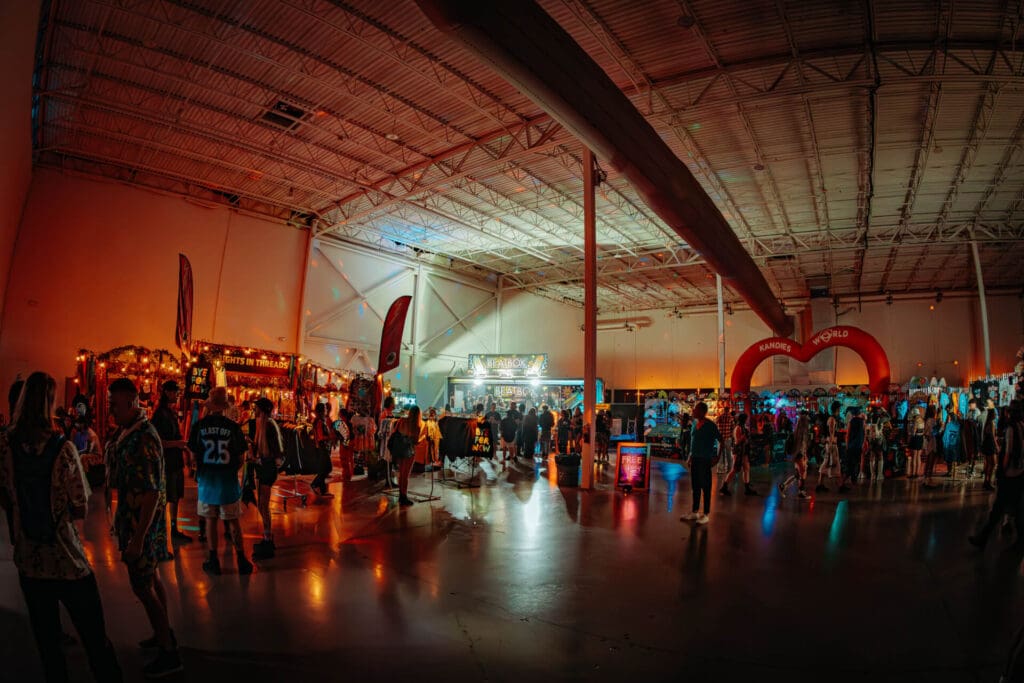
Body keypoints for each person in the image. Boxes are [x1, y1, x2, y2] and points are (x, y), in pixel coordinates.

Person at [0, 372, 122, 683]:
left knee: (48, 646)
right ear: (50, 402)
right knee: (95, 640)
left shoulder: (5, 447)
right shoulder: (62, 449)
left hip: (29, 559)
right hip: (66, 559)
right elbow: (80, 506)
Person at [105, 377, 182, 678]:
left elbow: (151, 491)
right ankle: (163, 632)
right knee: (152, 579)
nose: (111, 410)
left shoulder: (144, 437)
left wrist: (137, 539)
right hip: (135, 520)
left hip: (142, 524)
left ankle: (168, 652)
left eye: (114, 404)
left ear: (130, 402)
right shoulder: (129, 431)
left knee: (142, 586)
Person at [188, 387, 253, 576]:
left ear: (210, 405)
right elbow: (240, 457)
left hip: (207, 481)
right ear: (225, 406)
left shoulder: (199, 426)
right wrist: (231, 470)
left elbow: (193, 456)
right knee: (233, 520)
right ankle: (241, 560)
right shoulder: (233, 427)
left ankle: (213, 560)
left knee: (210, 520)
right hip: (228, 481)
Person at [970, 400, 1023, 549]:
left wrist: (1003, 471)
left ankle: (983, 538)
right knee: (1015, 508)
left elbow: (1008, 452)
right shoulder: (1021, 426)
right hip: (1019, 473)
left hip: (1010, 474)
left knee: (999, 509)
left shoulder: (1011, 428)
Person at [149, 380, 191, 546]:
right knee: (165, 497)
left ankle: (173, 528)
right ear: (167, 392)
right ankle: (158, 532)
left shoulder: (169, 412)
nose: (177, 395)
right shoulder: (160, 415)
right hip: (167, 461)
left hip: (175, 460)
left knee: (175, 496)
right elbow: (158, 441)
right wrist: (178, 444)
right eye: (175, 392)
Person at [249, 397, 284, 560]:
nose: (254, 410)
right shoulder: (262, 424)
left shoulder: (269, 425)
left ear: (262, 410)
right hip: (263, 467)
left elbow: (276, 453)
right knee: (261, 504)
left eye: (256, 407)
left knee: (264, 504)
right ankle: (267, 535)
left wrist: (261, 460)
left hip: (267, 469)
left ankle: (268, 538)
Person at [680, 402, 721, 524]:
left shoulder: (711, 425)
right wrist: (690, 456)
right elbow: (693, 442)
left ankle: (706, 514)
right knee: (695, 486)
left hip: (705, 459)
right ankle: (695, 511)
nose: (693, 411)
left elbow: (721, 440)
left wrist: (717, 457)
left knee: (706, 487)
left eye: (696, 409)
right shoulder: (694, 424)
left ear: (703, 412)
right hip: (695, 459)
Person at [389, 406, 425, 506]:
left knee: (401, 473)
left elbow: (395, 432)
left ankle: (401, 494)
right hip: (409, 452)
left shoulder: (402, 420)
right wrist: (423, 437)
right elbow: (415, 441)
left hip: (399, 450)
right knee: (405, 475)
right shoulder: (416, 426)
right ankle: (403, 496)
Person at [720, 412, 757, 496]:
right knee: (735, 469)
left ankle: (747, 488)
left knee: (746, 468)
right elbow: (737, 442)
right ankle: (724, 487)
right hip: (739, 451)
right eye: (746, 419)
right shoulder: (738, 428)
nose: (747, 420)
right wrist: (743, 438)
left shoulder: (743, 427)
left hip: (743, 451)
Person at [779, 410, 811, 499]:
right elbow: (801, 447)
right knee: (803, 472)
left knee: (798, 475)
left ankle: (783, 486)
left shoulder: (797, 432)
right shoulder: (801, 433)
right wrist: (802, 455)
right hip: (799, 455)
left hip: (798, 455)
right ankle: (801, 492)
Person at [310, 402, 336, 497]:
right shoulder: (320, 422)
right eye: (325, 408)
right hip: (322, 447)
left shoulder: (321, 420)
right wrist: (330, 437)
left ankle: (323, 491)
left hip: (322, 447)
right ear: (321, 410)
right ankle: (315, 484)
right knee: (328, 468)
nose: (326, 410)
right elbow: (321, 437)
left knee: (323, 469)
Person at [817, 401, 843, 492]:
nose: (840, 410)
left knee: (826, 464)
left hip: (830, 444)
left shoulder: (833, 418)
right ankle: (840, 485)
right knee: (834, 464)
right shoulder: (832, 419)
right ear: (837, 409)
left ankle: (820, 484)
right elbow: (831, 432)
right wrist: (832, 445)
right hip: (832, 444)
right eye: (839, 408)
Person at [840, 406, 865, 492]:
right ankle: (844, 483)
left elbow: (847, 435)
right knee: (854, 464)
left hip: (851, 446)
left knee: (850, 465)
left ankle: (844, 483)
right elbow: (864, 434)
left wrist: (847, 446)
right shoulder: (862, 422)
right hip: (858, 446)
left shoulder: (851, 422)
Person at [982, 406, 999, 491]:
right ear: (992, 414)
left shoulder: (987, 422)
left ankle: (986, 481)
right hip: (990, 444)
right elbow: (992, 436)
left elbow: (985, 435)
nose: (996, 415)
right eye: (995, 413)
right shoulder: (991, 423)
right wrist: (996, 446)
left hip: (986, 443)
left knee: (989, 463)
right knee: (992, 463)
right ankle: (988, 482)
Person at [716, 409, 735, 474]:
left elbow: (716, 426)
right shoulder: (731, 418)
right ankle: (729, 469)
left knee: (720, 454)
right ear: (728, 411)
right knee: (728, 454)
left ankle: (720, 470)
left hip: (720, 439)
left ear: (723, 411)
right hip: (728, 438)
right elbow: (733, 429)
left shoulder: (719, 417)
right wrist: (731, 437)